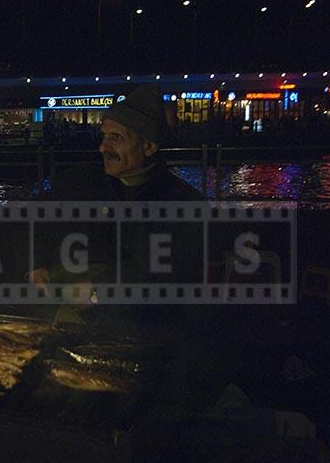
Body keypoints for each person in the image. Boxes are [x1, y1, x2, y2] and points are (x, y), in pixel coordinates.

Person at [30, 84, 205, 331]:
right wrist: (36, 262)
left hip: (147, 331)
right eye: (104, 136)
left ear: (149, 146)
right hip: (78, 323)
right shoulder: (82, 183)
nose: (103, 147)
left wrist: (98, 291)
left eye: (117, 138)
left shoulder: (185, 204)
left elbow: (164, 274)